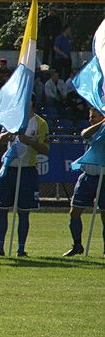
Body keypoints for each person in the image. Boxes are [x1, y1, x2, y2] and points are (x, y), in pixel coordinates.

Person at [0, 96, 49, 257]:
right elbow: (1, 139)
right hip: (9, 169)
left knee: (24, 212)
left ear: (32, 102)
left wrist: (29, 141)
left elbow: (45, 148)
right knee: (1, 210)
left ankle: (21, 249)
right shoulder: (11, 118)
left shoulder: (40, 123)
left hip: (27, 170)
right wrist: (11, 132)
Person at [65, 108, 105, 257]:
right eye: (90, 117)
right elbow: (84, 134)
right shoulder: (93, 130)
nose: (90, 119)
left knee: (104, 214)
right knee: (75, 211)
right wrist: (102, 122)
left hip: (103, 176)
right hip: (87, 176)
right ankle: (77, 245)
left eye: (93, 117)